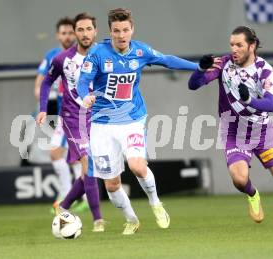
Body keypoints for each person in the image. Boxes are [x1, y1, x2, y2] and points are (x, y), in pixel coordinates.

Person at [77, 8, 198, 235]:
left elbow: (167, 60)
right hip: (102, 125)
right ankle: (131, 219)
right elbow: (83, 81)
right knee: (112, 184)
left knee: (137, 166)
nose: (121, 35)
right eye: (116, 31)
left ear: (132, 30)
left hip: (132, 119)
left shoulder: (141, 51)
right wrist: (85, 96)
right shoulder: (97, 54)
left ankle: (155, 202)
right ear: (110, 32)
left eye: (125, 30)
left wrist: (198, 66)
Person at [188, 26, 273, 227]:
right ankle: (253, 194)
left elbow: (270, 104)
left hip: (262, 131)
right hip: (233, 131)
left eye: (239, 45)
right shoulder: (223, 64)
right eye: (232, 45)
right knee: (239, 179)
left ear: (252, 46)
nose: (234, 49)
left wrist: (249, 100)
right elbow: (194, 85)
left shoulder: (264, 69)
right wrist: (200, 69)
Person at [36, 13, 104, 232]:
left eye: (88, 29)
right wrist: (44, 109)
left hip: (101, 119)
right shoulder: (60, 58)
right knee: (87, 166)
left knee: (95, 173)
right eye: (80, 30)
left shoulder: (104, 54)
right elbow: (45, 82)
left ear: (95, 31)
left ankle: (64, 204)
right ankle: (97, 220)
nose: (84, 34)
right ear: (75, 33)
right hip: (73, 118)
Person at [34, 17, 80, 208]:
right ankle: (75, 196)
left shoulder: (82, 54)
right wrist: (43, 103)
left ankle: (69, 195)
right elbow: (40, 83)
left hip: (76, 112)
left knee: (62, 153)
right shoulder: (53, 55)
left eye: (71, 33)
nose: (68, 36)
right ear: (57, 35)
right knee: (73, 156)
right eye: (64, 33)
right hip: (61, 111)